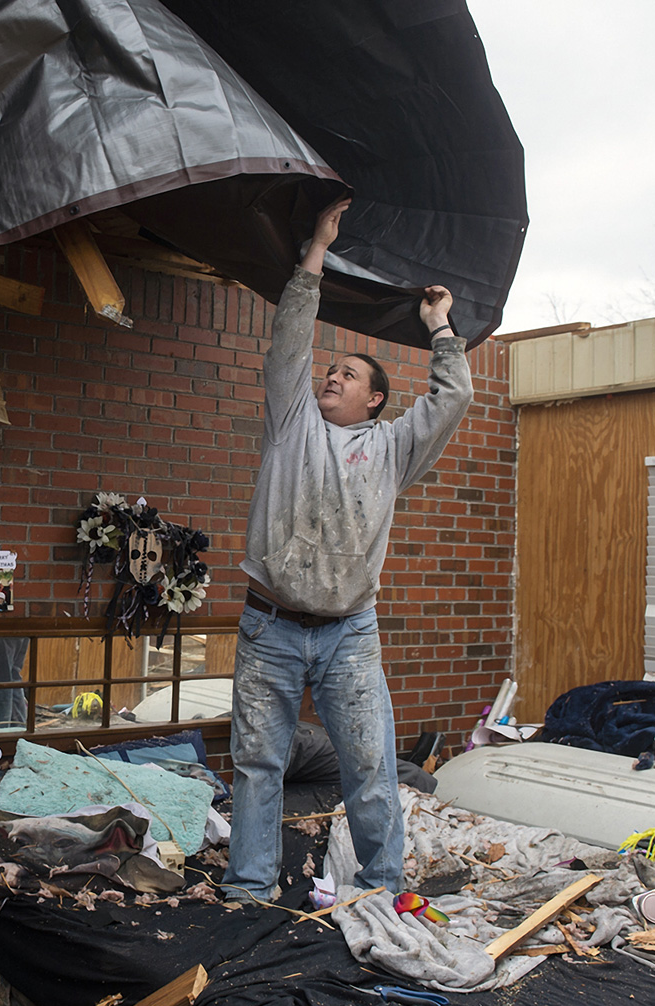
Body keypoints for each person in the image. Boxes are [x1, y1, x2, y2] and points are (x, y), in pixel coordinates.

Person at [222, 198, 475, 902]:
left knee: (370, 764)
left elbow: (454, 395)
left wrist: (439, 326)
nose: (331, 375)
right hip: (268, 625)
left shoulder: (393, 447)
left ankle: (381, 887)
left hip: (349, 636)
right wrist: (316, 252)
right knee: (256, 764)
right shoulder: (291, 420)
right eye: (330, 370)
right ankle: (248, 888)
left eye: (350, 374)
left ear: (375, 401)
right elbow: (290, 339)